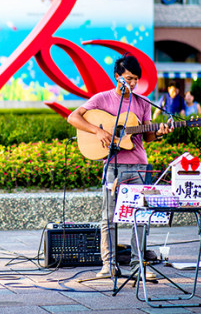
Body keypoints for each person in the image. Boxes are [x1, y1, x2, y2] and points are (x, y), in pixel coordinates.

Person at [67, 55, 173, 280]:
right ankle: (109, 266)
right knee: (108, 218)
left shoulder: (143, 102)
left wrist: (160, 132)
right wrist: (98, 131)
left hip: (138, 167)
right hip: (113, 167)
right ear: (117, 77)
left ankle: (138, 266)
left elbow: (148, 136)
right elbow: (72, 118)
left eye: (136, 79)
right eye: (128, 78)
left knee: (141, 217)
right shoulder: (102, 99)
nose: (132, 83)